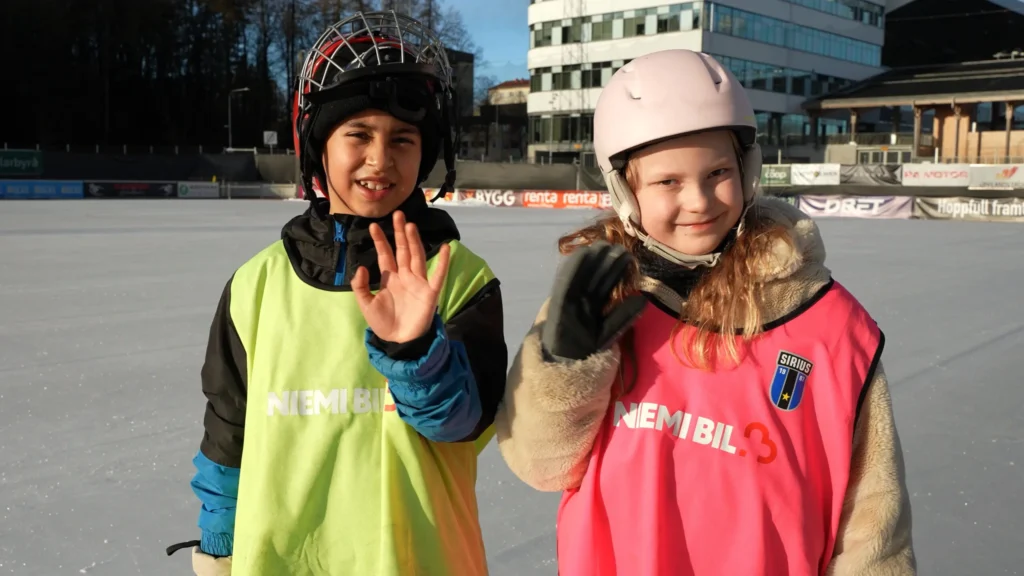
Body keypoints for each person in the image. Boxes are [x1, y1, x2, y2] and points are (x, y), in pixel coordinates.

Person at [494, 49, 916, 576]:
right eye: (668, 182)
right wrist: (564, 365)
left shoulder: (832, 328)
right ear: (626, 190)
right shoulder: (599, 304)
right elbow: (541, 465)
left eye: (717, 172)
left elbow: (874, 522)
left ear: (746, 170)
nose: (698, 201)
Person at [166, 11, 507, 576]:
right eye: (358, 135)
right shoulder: (257, 283)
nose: (380, 159)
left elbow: (465, 424)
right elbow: (229, 428)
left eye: (402, 138)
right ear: (318, 145)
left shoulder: (460, 276)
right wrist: (219, 540)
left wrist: (415, 351)